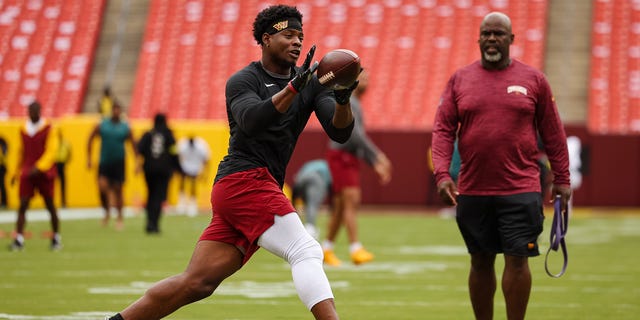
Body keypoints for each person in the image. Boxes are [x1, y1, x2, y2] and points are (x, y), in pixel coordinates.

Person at [105, 4, 355, 320]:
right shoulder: (245, 80)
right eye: (288, 35)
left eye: (300, 36)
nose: (296, 42)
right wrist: (294, 88)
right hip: (244, 180)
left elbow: (340, 130)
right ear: (266, 39)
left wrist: (343, 100)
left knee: (196, 283)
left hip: (249, 187)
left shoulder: (308, 81)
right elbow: (251, 120)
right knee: (306, 250)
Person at [431, 12, 571, 320]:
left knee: (518, 261)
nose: (492, 39)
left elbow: (553, 132)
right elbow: (442, 129)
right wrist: (442, 174)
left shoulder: (534, 79)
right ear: (479, 39)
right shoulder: (460, 79)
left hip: (521, 189)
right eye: (487, 34)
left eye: (499, 34)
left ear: (511, 40)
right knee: (480, 261)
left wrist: (563, 177)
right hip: (473, 189)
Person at [322, 69, 392, 266]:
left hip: (346, 156)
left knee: (341, 206)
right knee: (351, 200)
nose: (366, 81)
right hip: (342, 157)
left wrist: (373, 162)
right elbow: (356, 135)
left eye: (368, 78)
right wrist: (377, 157)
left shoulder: (356, 103)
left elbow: (356, 138)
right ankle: (355, 248)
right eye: (363, 77)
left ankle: (326, 248)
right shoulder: (350, 101)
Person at [9, 101, 62, 251]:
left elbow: (52, 151)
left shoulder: (49, 128)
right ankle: (19, 238)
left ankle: (56, 237)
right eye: (30, 110)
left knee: (50, 205)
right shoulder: (23, 129)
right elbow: (20, 152)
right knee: (23, 204)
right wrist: (15, 172)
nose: (32, 113)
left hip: (44, 172)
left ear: (40, 111)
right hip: (27, 170)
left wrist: (39, 167)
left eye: (35, 110)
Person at [87, 102, 136, 230]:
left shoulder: (125, 127)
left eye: (118, 110)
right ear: (111, 111)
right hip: (105, 162)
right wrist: (89, 158)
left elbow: (133, 144)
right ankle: (107, 211)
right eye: (114, 110)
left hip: (119, 162)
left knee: (118, 189)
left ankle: (119, 218)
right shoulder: (103, 125)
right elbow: (90, 139)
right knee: (102, 187)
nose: (116, 112)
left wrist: (137, 162)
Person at [136, 113, 177, 234]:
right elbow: (174, 151)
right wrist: (176, 168)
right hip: (164, 170)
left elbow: (139, 149)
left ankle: (149, 222)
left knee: (150, 195)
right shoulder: (168, 134)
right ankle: (155, 224)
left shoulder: (148, 134)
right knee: (159, 197)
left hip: (149, 169)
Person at [291, 159, 332, 239]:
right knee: (312, 204)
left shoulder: (310, 164)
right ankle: (310, 229)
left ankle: (294, 224)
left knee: (307, 203)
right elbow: (330, 185)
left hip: (301, 178)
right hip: (316, 178)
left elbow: (297, 182)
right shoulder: (329, 167)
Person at [176, 134, 211, 217]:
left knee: (193, 185)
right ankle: (182, 204)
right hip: (184, 166)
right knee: (182, 183)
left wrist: (205, 173)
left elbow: (206, 160)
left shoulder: (201, 146)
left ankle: (192, 205)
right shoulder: (183, 145)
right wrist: (178, 169)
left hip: (195, 167)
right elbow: (178, 156)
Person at [55, 128, 72, 208]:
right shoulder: (54, 143)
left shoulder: (66, 143)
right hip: (55, 164)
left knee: (63, 184)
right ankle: (53, 201)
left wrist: (67, 161)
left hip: (62, 164)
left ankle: (63, 202)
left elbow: (69, 153)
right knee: (54, 185)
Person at [0, 135, 8, 209]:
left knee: (2, 184)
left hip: (1, 166)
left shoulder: (2, 142)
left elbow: (4, 154)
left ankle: (4, 202)